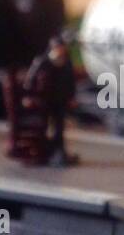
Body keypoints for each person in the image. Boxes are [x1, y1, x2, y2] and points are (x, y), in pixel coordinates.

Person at [16, 37, 78, 166]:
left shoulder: (66, 62)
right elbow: (30, 80)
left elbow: (71, 81)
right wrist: (28, 97)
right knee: (43, 126)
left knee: (59, 127)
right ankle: (43, 151)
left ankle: (58, 152)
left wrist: (72, 97)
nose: (60, 50)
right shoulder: (43, 61)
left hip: (60, 100)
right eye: (58, 48)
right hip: (44, 100)